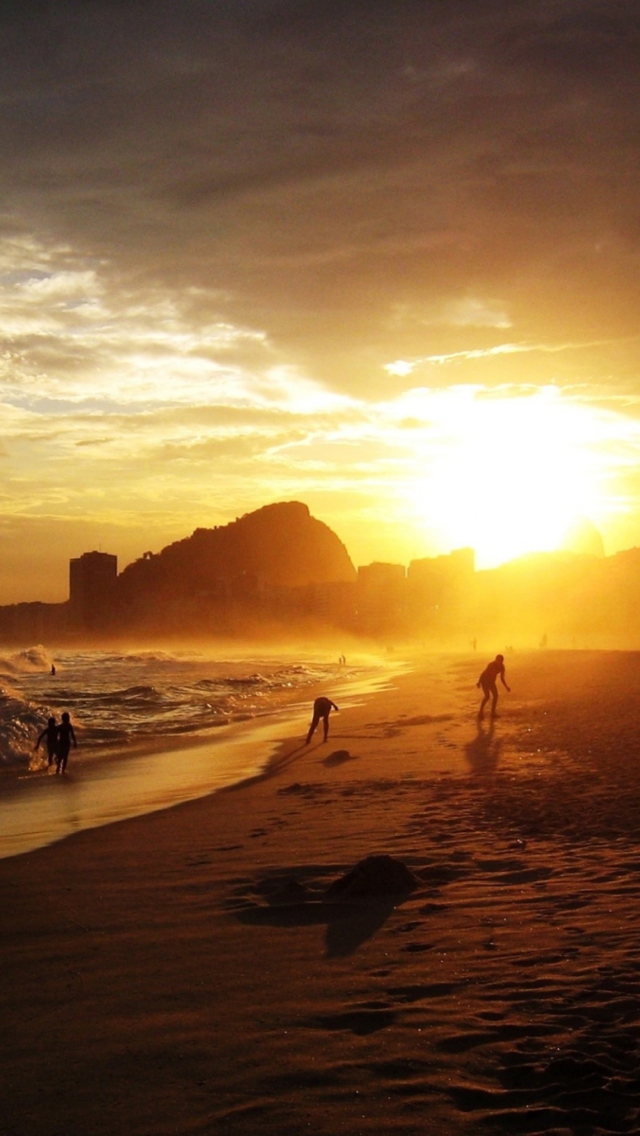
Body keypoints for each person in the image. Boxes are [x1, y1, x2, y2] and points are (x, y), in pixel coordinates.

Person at [476, 654, 510, 719]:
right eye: (497, 660)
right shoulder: (491, 665)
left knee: (496, 696)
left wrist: (506, 687)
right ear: (496, 659)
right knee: (487, 696)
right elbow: (483, 673)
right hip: (484, 680)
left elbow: (502, 678)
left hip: (491, 682)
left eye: (500, 660)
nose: (498, 661)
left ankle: (492, 713)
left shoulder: (502, 667)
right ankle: (480, 712)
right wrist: (479, 682)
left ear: (502, 661)